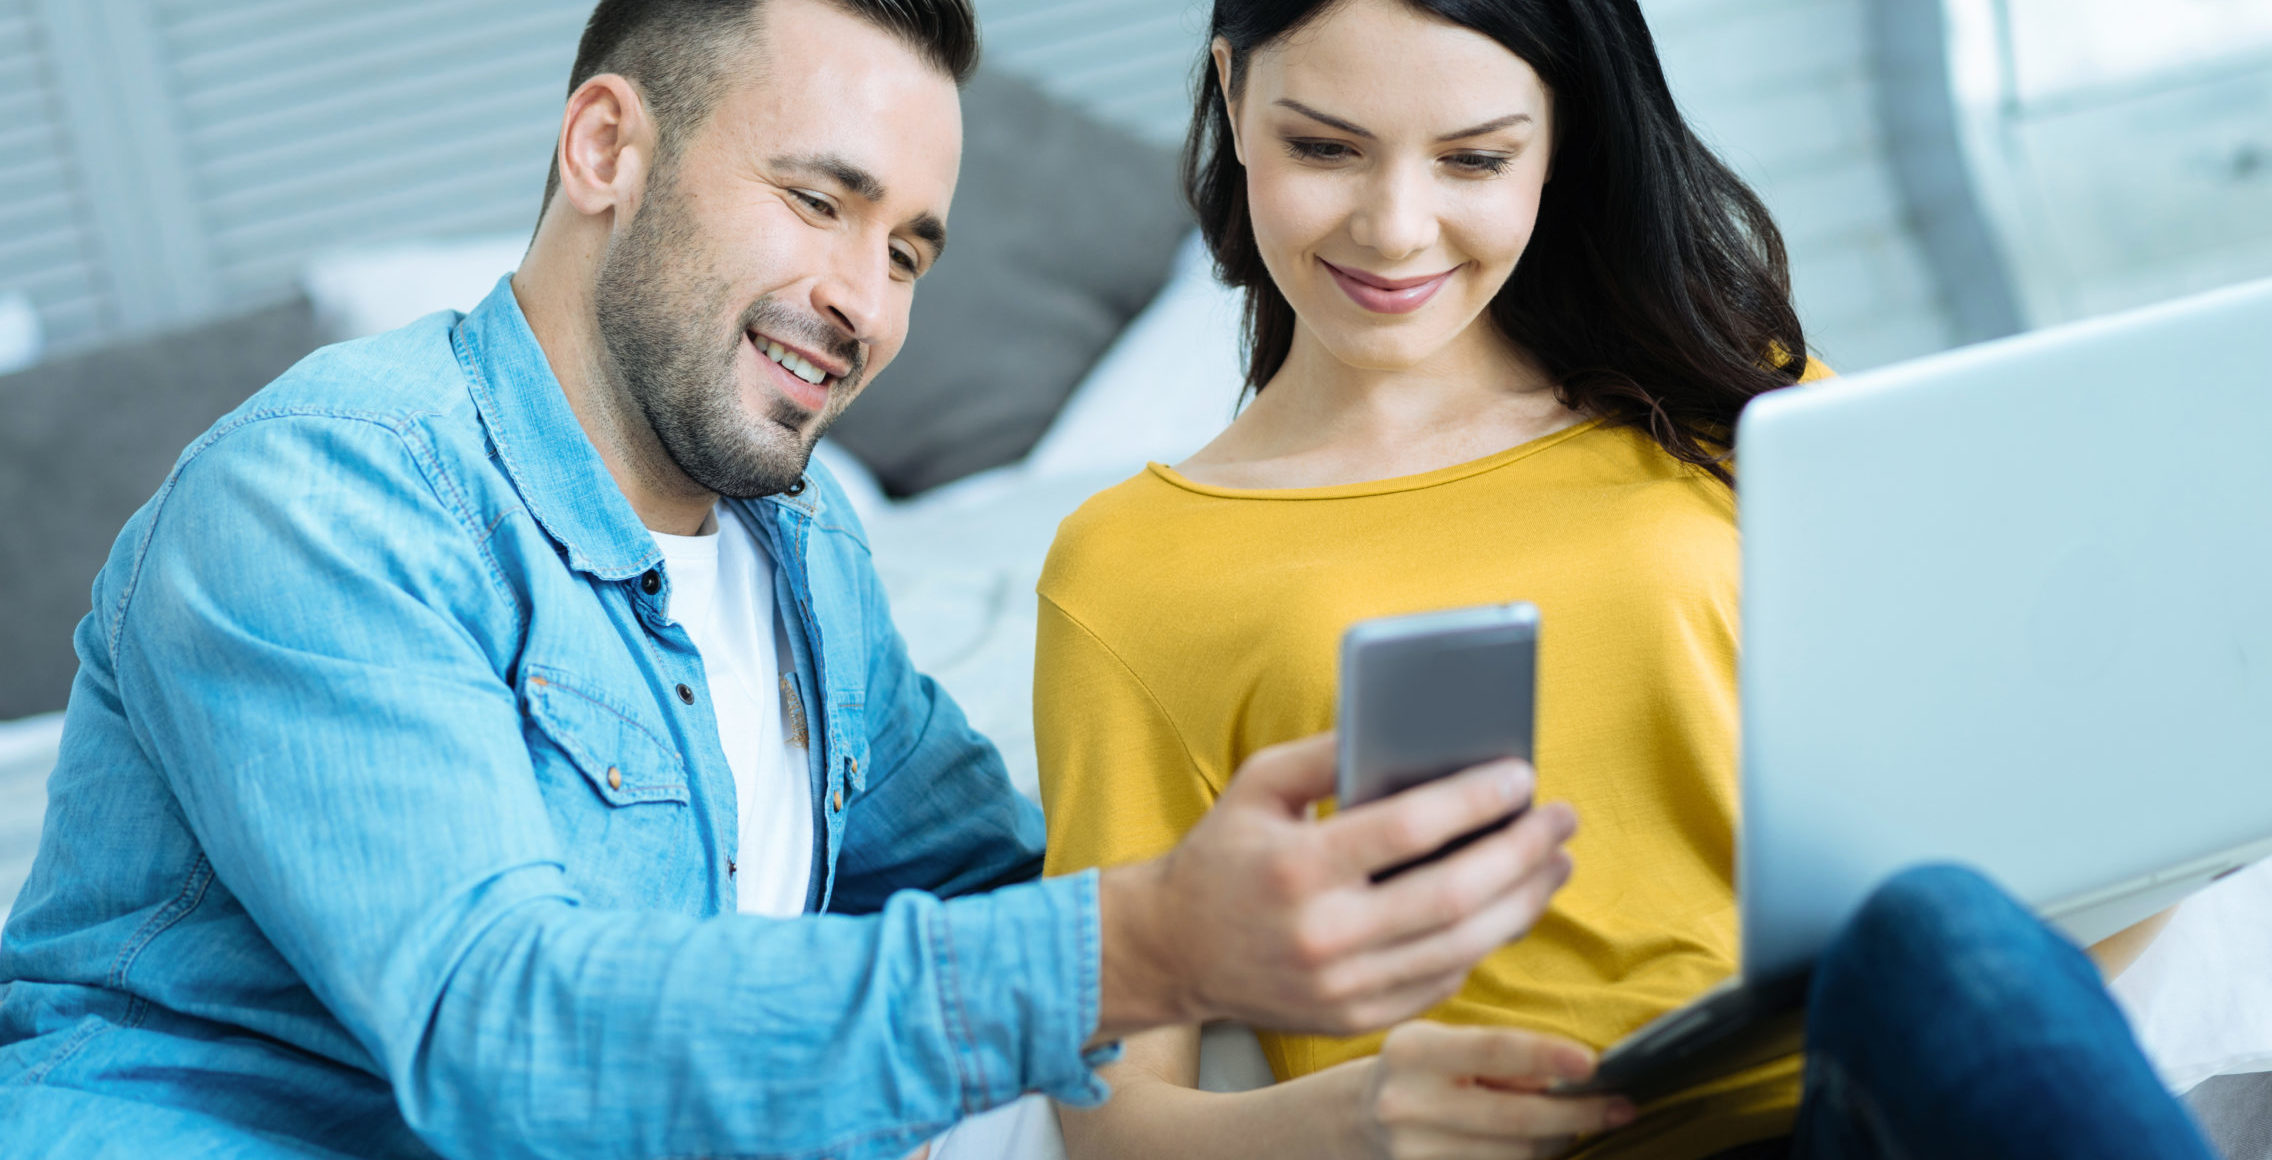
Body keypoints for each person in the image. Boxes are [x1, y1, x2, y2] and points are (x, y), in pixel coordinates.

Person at [0, 2, 1583, 1157]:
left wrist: (1270, 896)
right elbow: (501, 1027)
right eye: (816, 200)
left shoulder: (798, 545)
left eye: (906, 251)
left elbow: (984, 887)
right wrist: (1144, 940)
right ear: (607, 144)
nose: (860, 301)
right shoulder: (328, 496)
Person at [1033, 1, 2211, 1158]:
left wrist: (2152, 834)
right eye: (1325, 147)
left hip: (1858, 1089)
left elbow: (2016, 829)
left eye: (1474, 159)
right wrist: (1356, 1118)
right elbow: (1120, 1118)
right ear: (1234, 99)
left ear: (1560, 142)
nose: (1395, 228)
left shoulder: (1743, 404)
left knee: (1939, 925)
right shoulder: (1131, 567)